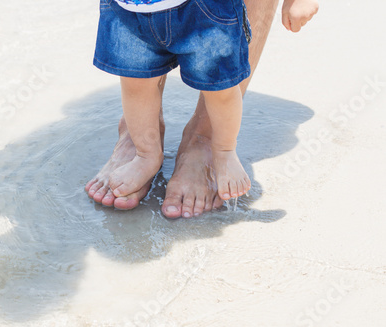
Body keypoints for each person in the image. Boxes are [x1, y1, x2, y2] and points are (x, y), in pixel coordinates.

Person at [86, 0, 319, 218]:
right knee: (136, 81)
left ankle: (221, 149)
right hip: (129, 9)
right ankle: (145, 153)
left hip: (206, 9)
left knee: (220, 87)